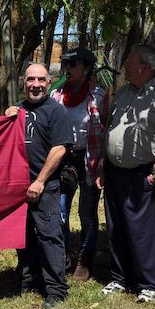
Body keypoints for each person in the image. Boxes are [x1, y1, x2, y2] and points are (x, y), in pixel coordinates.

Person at [99, 44, 155, 303]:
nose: (125, 66)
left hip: (142, 173)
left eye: (129, 61)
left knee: (141, 230)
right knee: (116, 227)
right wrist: (103, 164)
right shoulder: (123, 93)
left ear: (144, 67)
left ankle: (148, 283)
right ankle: (120, 278)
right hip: (114, 171)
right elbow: (110, 129)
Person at [5, 64, 73, 308]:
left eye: (41, 80)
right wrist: (5, 120)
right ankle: (28, 279)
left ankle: (56, 290)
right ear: (24, 82)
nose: (35, 84)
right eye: (31, 79)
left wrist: (40, 181)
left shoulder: (56, 112)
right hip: (18, 187)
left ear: (49, 82)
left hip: (45, 186)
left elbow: (60, 149)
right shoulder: (18, 110)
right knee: (22, 237)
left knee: (50, 237)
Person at [50, 48, 109, 280]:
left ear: (86, 68)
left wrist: (103, 164)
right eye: (66, 63)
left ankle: (85, 261)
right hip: (64, 159)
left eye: (74, 64)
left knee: (87, 213)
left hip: (90, 159)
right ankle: (62, 257)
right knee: (60, 211)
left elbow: (106, 131)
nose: (68, 68)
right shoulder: (56, 95)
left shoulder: (99, 96)